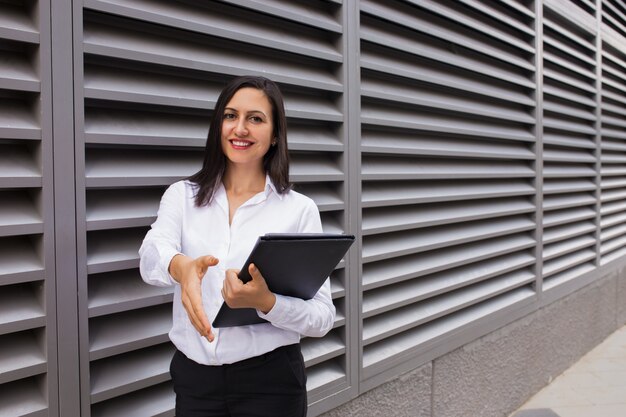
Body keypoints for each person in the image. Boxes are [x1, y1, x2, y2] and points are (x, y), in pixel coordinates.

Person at [138, 75, 336, 417]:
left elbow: (322, 318)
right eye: (230, 116)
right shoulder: (182, 197)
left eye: (255, 118)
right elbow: (151, 253)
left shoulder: (299, 210)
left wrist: (267, 303)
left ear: (275, 135)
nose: (240, 128)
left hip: (271, 383)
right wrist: (180, 266)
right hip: (196, 383)